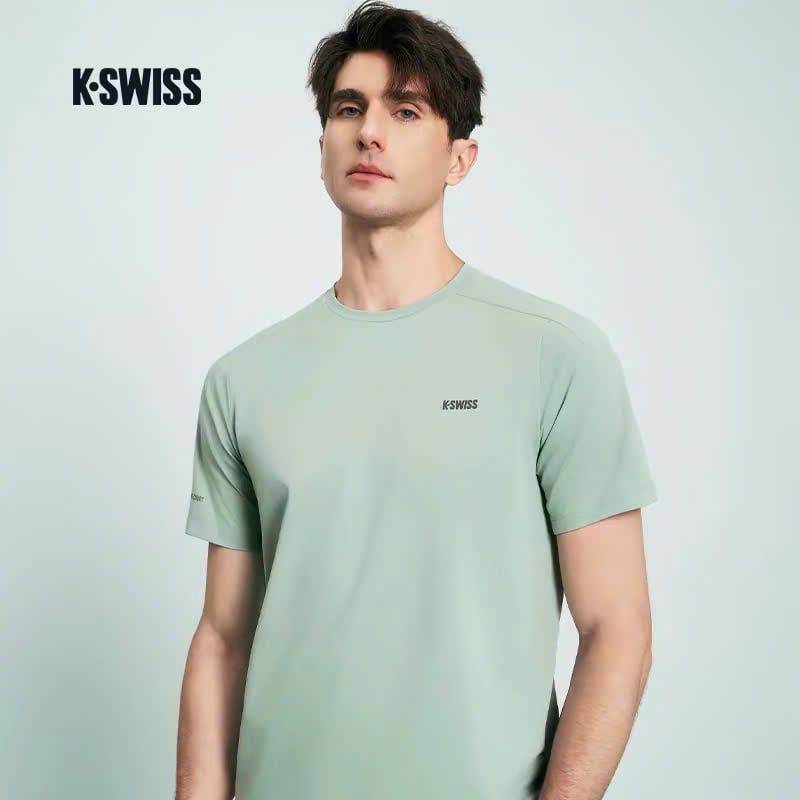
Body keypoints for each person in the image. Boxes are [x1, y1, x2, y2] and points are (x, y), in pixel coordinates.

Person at [175, 2, 658, 798]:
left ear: (460, 158)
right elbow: (222, 638)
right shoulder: (243, 379)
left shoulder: (554, 354)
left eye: (405, 111)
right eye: (348, 108)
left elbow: (618, 630)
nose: (370, 132)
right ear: (322, 147)